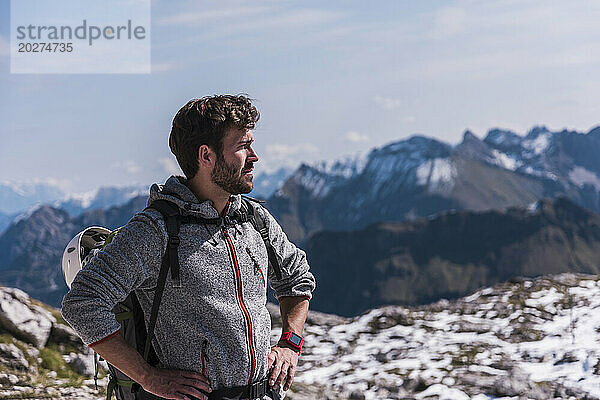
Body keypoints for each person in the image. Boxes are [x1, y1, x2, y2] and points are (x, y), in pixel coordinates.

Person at [61, 95, 316, 400]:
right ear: (206, 156)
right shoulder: (154, 231)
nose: (254, 156)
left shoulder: (254, 219)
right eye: (242, 145)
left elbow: (297, 279)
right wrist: (147, 377)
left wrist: (290, 343)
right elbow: (82, 302)